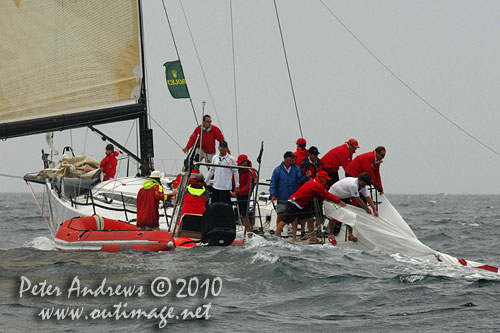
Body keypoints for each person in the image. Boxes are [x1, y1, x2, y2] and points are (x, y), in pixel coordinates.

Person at [276, 171, 346, 243]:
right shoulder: (316, 185)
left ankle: (312, 238)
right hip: (295, 202)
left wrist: (328, 200)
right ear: (321, 178)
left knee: (310, 218)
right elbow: (326, 194)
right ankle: (276, 236)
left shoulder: (315, 182)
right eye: (325, 179)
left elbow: (320, 195)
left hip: (303, 203)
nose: (326, 181)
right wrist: (339, 201)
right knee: (286, 220)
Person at [327, 172, 379, 244]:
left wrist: (374, 209)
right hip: (333, 195)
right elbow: (357, 199)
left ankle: (350, 235)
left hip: (344, 196)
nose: (365, 185)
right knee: (334, 216)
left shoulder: (363, 186)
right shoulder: (353, 185)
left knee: (350, 214)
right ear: (360, 181)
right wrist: (366, 208)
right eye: (365, 183)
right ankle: (331, 235)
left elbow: (368, 198)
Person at [270, 151, 306, 239]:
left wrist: (305, 175)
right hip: (282, 196)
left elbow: (301, 179)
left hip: (293, 197)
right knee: (280, 214)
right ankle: (278, 234)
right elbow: (273, 183)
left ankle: (294, 236)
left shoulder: (296, 169)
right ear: (286, 159)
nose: (294, 160)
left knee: (293, 216)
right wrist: (273, 194)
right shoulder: (277, 170)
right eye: (292, 158)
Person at [206, 141, 239, 205]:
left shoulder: (231, 159)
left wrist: (237, 185)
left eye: (224, 147)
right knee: (214, 205)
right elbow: (211, 170)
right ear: (218, 147)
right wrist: (206, 181)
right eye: (221, 147)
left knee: (225, 206)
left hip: (226, 188)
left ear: (226, 148)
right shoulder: (214, 158)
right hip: (216, 187)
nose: (222, 149)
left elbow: (235, 172)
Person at [235, 154, 258, 234]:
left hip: (245, 195)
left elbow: (249, 187)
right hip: (239, 194)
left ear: (245, 162)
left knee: (244, 215)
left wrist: (238, 192)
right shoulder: (239, 170)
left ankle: (248, 232)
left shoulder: (251, 172)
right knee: (242, 215)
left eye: (241, 163)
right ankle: (247, 232)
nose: (239, 165)